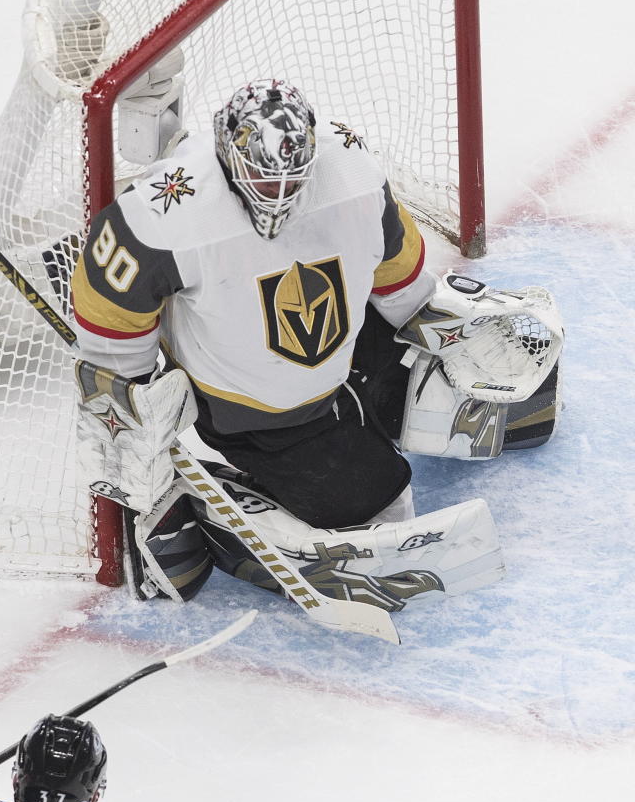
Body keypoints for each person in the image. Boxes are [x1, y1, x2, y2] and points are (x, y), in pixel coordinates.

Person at [70, 77, 563, 604]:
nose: (279, 193)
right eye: (263, 177)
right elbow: (109, 332)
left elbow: (401, 282)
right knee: (378, 504)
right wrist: (142, 403)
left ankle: (376, 402)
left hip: (342, 349)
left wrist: (441, 343)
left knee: (472, 385)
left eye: (292, 177)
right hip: (251, 411)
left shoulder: (351, 170)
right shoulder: (162, 215)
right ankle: (217, 514)